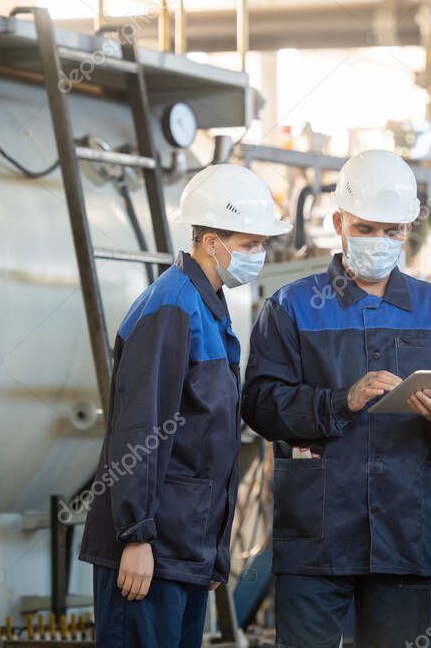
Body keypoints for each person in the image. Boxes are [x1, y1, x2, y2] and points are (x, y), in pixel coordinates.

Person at [242, 149, 431, 648]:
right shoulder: (291, 308)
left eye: (392, 231)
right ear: (338, 221)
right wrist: (339, 402)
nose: (380, 242)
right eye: (366, 228)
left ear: (408, 232)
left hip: (403, 535)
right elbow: (260, 404)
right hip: (316, 539)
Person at [78, 164, 291, 648]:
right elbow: (140, 428)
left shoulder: (207, 308)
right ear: (212, 242)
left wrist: (212, 554)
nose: (258, 255)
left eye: (261, 244)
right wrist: (135, 536)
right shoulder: (171, 306)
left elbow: (206, 446)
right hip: (150, 552)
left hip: (182, 552)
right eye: (250, 243)